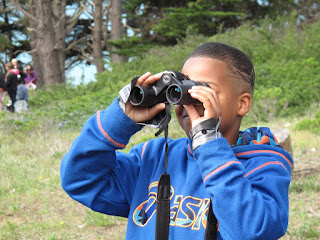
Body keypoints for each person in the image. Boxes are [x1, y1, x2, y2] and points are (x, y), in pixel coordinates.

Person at [60, 42, 293, 240]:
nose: (188, 100)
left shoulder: (264, 166)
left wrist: (209, 144)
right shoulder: (155, 158)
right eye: (182, 87)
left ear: (242, 103)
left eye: (203, 90)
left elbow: (251, 230)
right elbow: (79, 179)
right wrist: (119, 119)